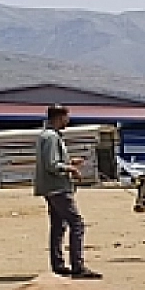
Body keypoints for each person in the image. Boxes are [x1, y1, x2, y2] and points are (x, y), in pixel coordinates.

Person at [35, 104, 100, 279]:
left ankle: (58, 265)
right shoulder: (51, 137)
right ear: (59, 117)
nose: (68, 120)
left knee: (58, 225)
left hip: (50, 187)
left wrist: (70, 162)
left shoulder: (46, 136)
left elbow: (53, 161)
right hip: (58, 187)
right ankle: (77, 266)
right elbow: (52, 165)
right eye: (66, 117)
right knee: (76, 224)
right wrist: (71, 169)